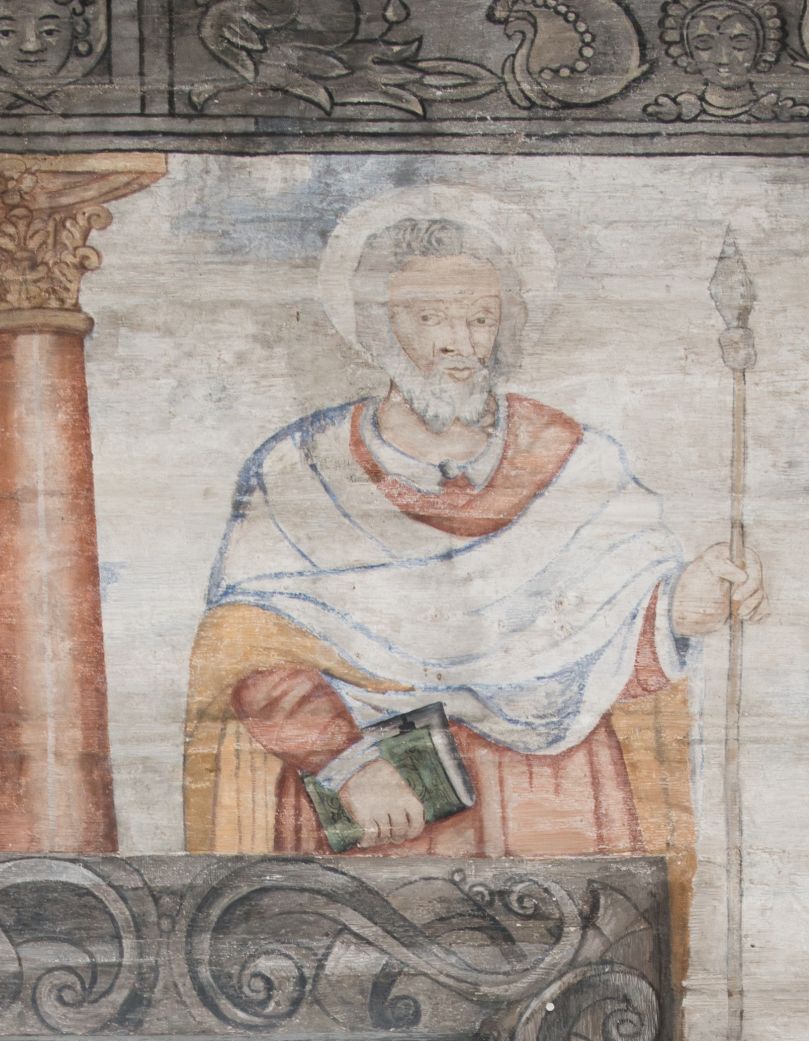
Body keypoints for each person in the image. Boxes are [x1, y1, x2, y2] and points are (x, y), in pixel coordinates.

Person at [182, 209, 764, 905]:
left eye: (480, 318)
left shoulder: (575, 461)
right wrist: (344, 760)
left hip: (549, 794)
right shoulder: (302, 469)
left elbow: (617, 643)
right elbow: (247, 648)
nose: (459, 343)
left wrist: (679, 607)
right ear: (380, 326)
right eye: (430, 318)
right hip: (384, 798)